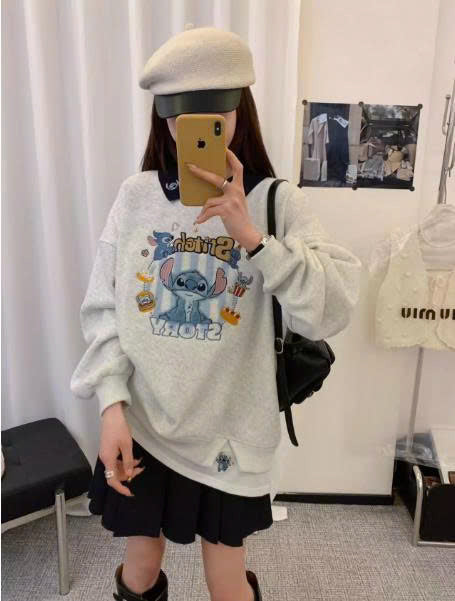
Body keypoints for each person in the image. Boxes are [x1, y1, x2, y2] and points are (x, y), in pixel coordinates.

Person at [70, 25, 363, 601]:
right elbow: (103, 307)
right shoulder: (135, 197)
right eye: (181, 117)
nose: (196, 130)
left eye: (213, 115)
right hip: (145, 424)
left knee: (224, 579)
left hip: (231, 430)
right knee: (139, 567)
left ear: (237, 112)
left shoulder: (275, 201)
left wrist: (251, 236)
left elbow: (333, 307)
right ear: (163, 119)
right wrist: (110, 406)